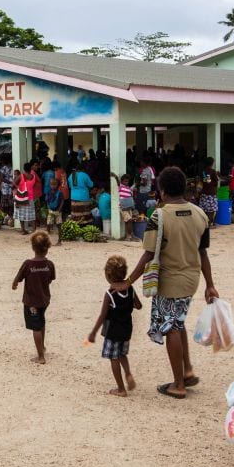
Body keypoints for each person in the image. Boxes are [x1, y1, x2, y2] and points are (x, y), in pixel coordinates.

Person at [120, 166, 219, 399]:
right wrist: (210, 284)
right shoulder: (200, 214)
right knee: (178, 322)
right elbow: (203, 252)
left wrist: (129, 281)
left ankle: (178, 385)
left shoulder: (159, 215)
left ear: (162, 190)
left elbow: (148, 253)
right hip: (191, 279)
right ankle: (187, 370)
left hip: (170, 280)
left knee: (171, 327)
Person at [87, 255, 142, 396]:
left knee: (114, 357)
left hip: (112, 332)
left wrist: (93, 332)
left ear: (108, 276)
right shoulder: (130, 289)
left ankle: (121, 389)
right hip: (127, 329)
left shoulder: (109, 294)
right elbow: (139, 305)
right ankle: (128, 373)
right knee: (122, 354)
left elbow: (102, 315)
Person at [12, 231, 56, 365]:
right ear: (48, 247)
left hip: (32, 302)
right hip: (44, 300)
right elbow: (50, 279)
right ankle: (41, 346)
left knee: (35, 327)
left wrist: (14, 284)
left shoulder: (28, 264)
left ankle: (41, 357)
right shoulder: (49, 264)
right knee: (41, 322)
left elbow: (18, 278)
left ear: (33, 247)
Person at [14, 164, 36, 234]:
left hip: (21, 198)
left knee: (21, 214)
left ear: (24, 169)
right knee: (32, 214)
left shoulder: (21, 176)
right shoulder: (33, 177)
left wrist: (18, 187)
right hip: (30, 198)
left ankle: (23, 230)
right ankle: (34, 230)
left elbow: (13, 184)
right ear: (31, 168)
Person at [199, 157, 219, 225]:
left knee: (204, 209)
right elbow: (216, 182)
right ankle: (209, 223)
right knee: (212, 210)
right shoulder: (212, 171)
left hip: (204, 193)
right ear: (212, 163)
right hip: (211, 193)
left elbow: (205, 181)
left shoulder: (203, 171)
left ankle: (204, 223)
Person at [45, 177, 64, 244]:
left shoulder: (60, 193)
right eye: (51, 184)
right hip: (50, 211)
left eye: (54, 184)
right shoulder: (48, 192)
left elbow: (62, 201)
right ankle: (46, 240)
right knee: (48, 224)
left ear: (58, 185)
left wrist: (59, 209)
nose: (52, 186)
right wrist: (48, 208)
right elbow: (47, 201)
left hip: (58, 211)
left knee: (59, 225)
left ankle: (59, 240)